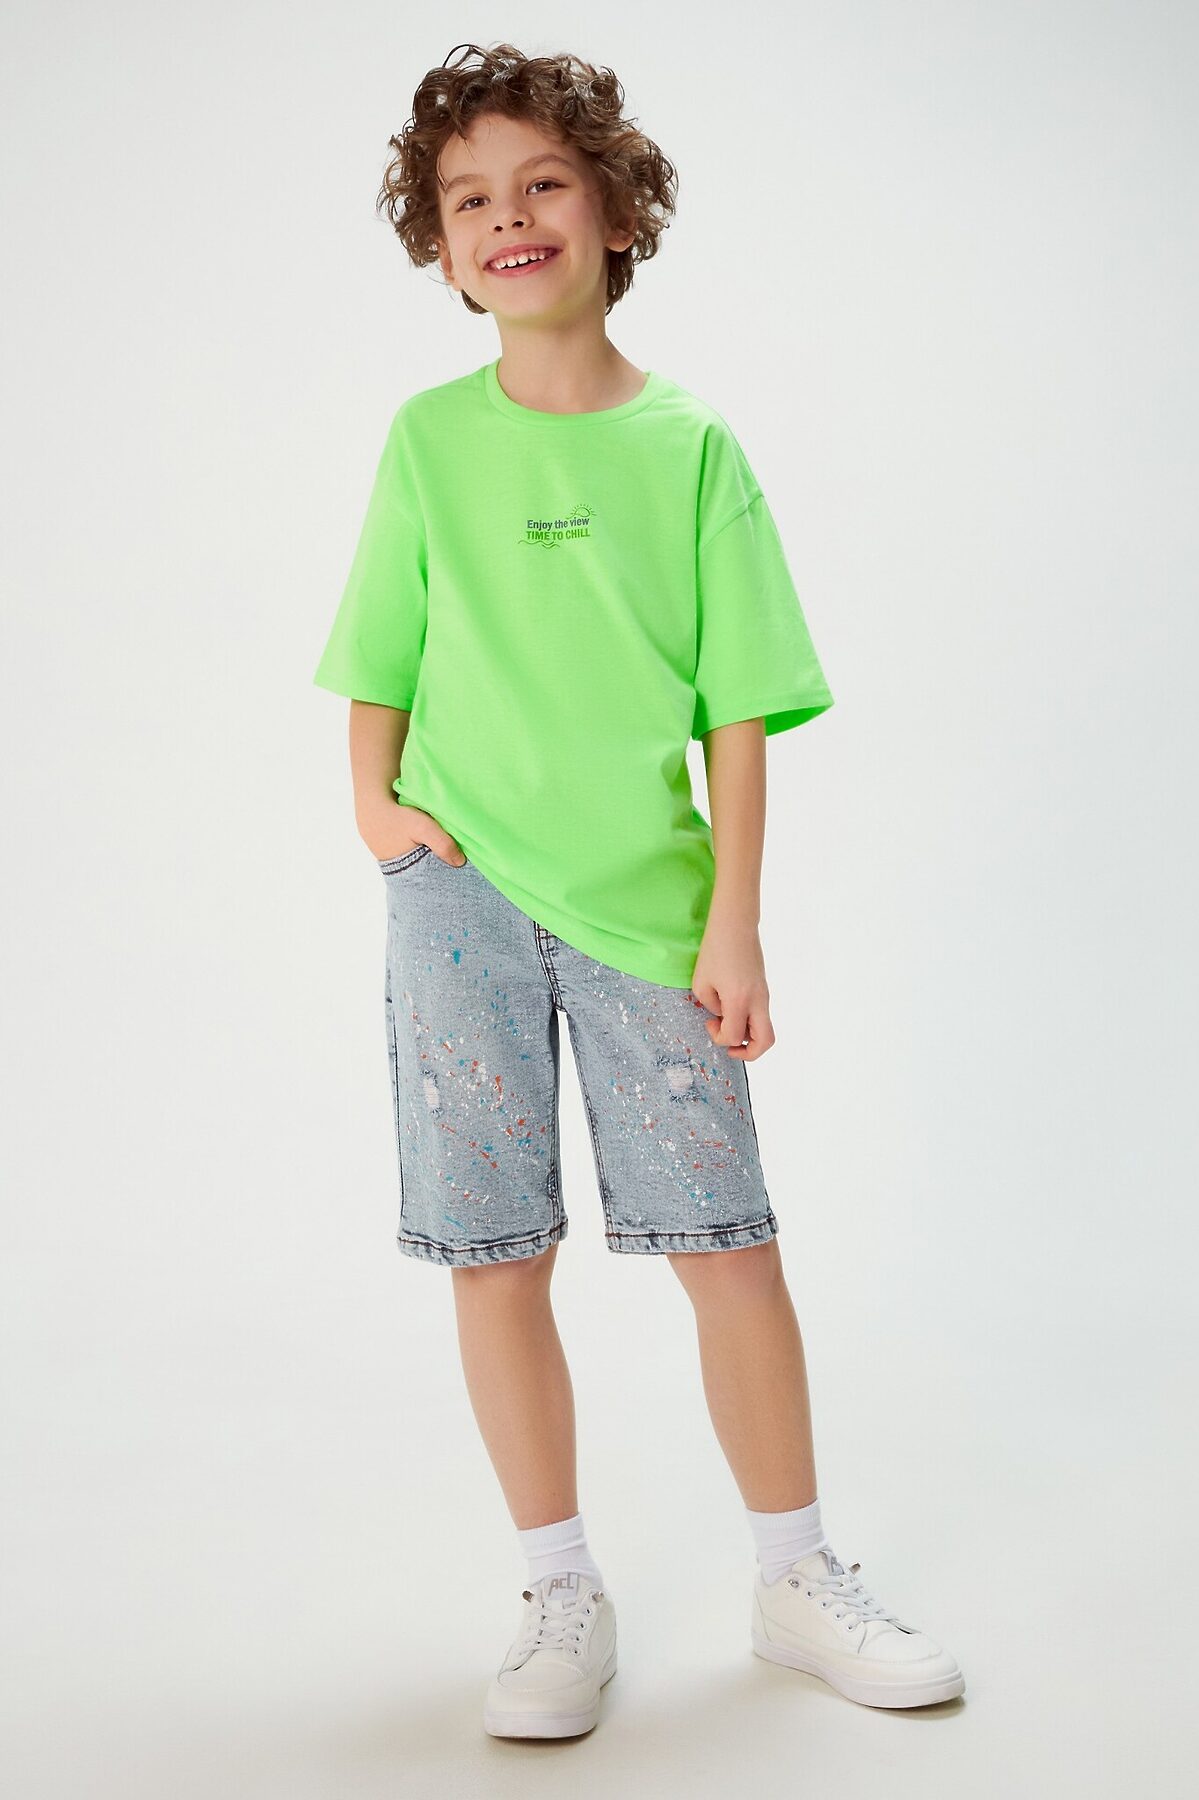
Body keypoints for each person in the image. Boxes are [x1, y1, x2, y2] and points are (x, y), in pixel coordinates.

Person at [313, 41, 965, 1740]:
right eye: (470, 199)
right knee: (494, 1250)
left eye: (543, 182)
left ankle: (795, 1575)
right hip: (458, 895)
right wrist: (376, 811)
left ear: (613, 210)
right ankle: (558, 1592)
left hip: (648, 910)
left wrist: (733, 919)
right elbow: (380, 651)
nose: (508, 217)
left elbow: (739, 708)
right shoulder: (427, 441)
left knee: (725, 1242)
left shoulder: (692, 447)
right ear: (443, 249)